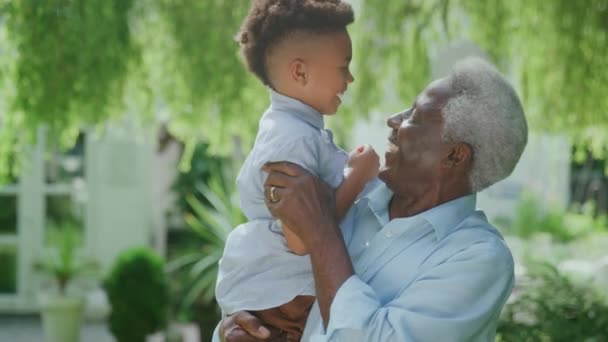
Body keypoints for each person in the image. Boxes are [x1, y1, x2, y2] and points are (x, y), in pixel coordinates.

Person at [217, 57, 528, 341]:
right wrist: (233, 328)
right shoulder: (346, 197)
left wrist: (320, 229)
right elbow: (258, 286)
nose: (393, 120)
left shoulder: (478, 258)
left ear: (455, 155)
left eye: (414, 116)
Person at [215, 0, 380, 340]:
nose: (350, 79)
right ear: (300, 72)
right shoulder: (293, 139)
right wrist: (356, 177)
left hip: (280, 290)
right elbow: (302, 237)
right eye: (343, 67)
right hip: (284, 298)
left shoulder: (292, 127)